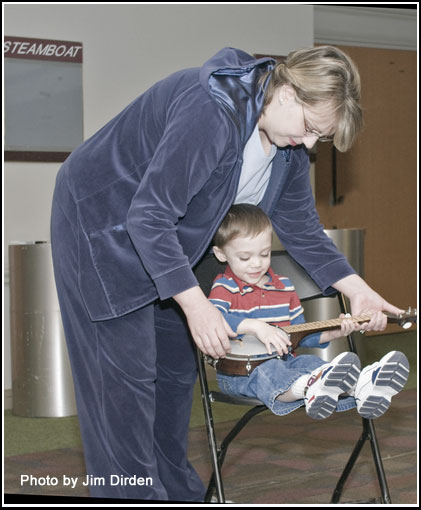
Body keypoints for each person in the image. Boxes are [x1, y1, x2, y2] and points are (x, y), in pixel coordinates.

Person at [50, 45, 405, 502]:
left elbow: (302, 228)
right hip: (103, 228)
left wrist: (358, 291)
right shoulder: (211, 111)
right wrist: (196, 305)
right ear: (286, 95)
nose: (312, 144)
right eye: (312, 129)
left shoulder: (286, 146)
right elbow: (149, 215)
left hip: (173, 241)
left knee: (176, 377)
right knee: (124, 385)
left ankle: (176, 492)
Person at [208, 204, 409, 419]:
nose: (257, 264)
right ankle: (310, 387)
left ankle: (363, 385)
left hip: (285, 361)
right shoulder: (224, 287)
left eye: (265, 254)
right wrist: (255, 326)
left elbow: (299, 334)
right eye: (245, 258)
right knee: (271, 372)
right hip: (241, 374)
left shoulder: (284, 286)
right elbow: (212, 320)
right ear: (221, 254)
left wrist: (335, 332)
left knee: (314, 364)